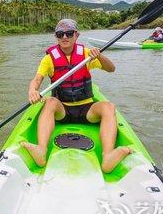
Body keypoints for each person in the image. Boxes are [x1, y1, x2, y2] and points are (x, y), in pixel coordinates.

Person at [21, 19, 132, 173]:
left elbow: (111, 69)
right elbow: (37, 79)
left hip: (87, 109)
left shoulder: (87, 54)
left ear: (76, 35)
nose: (65, 37)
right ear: (56, 37)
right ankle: (41, 150)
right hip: (63, 110)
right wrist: (32, 90)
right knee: (50, 101)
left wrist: (99, 56)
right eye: (60, 34)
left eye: (69, 33)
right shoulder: (48, 59)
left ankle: (108, 156)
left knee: (108, 106)